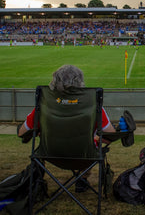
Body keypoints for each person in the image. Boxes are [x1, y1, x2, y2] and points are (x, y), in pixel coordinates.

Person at [18, 64, 116, 192]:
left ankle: (38, 182)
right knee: (95, 142)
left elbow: (21, 133)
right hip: (84, 157)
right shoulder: (92, 106)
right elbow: (111, 135)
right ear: (80, 82)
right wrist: (96, 137)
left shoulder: (44, 104)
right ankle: (82, 178)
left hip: (51, 154)